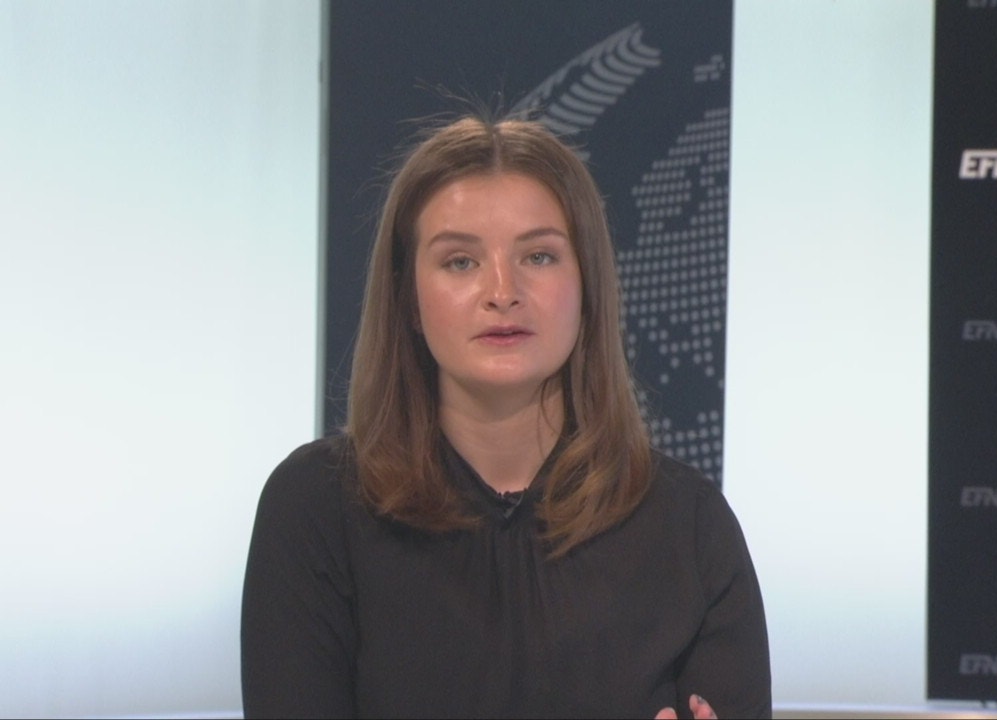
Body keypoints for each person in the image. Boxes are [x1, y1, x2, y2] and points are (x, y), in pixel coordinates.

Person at [240, 115, 771, 718]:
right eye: (460, 262)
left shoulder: (689, 525)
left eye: (539, 256)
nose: (502, 291)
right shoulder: (316, 508)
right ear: (408, 299)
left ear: (588, 287)